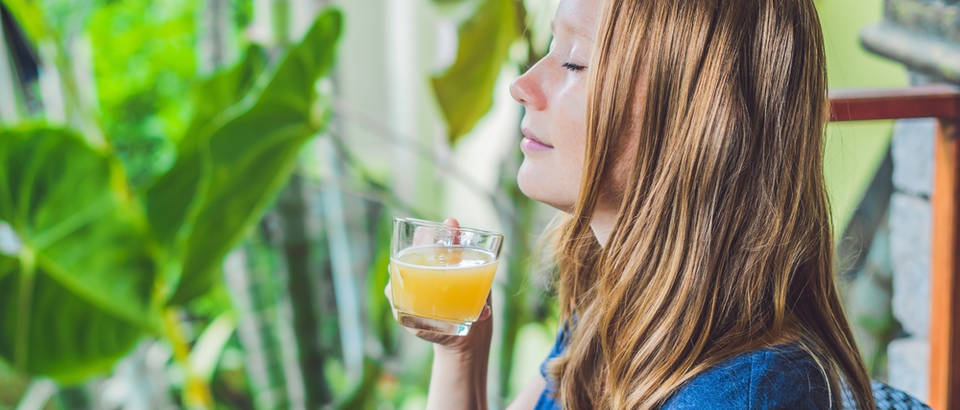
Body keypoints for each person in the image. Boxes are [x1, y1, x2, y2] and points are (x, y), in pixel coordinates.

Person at [387, 0, 876, 408]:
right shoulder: (620, 303)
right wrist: (461, 351)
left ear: (694, 121)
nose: (523, 86)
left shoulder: (745, 398)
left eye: (574, 62)